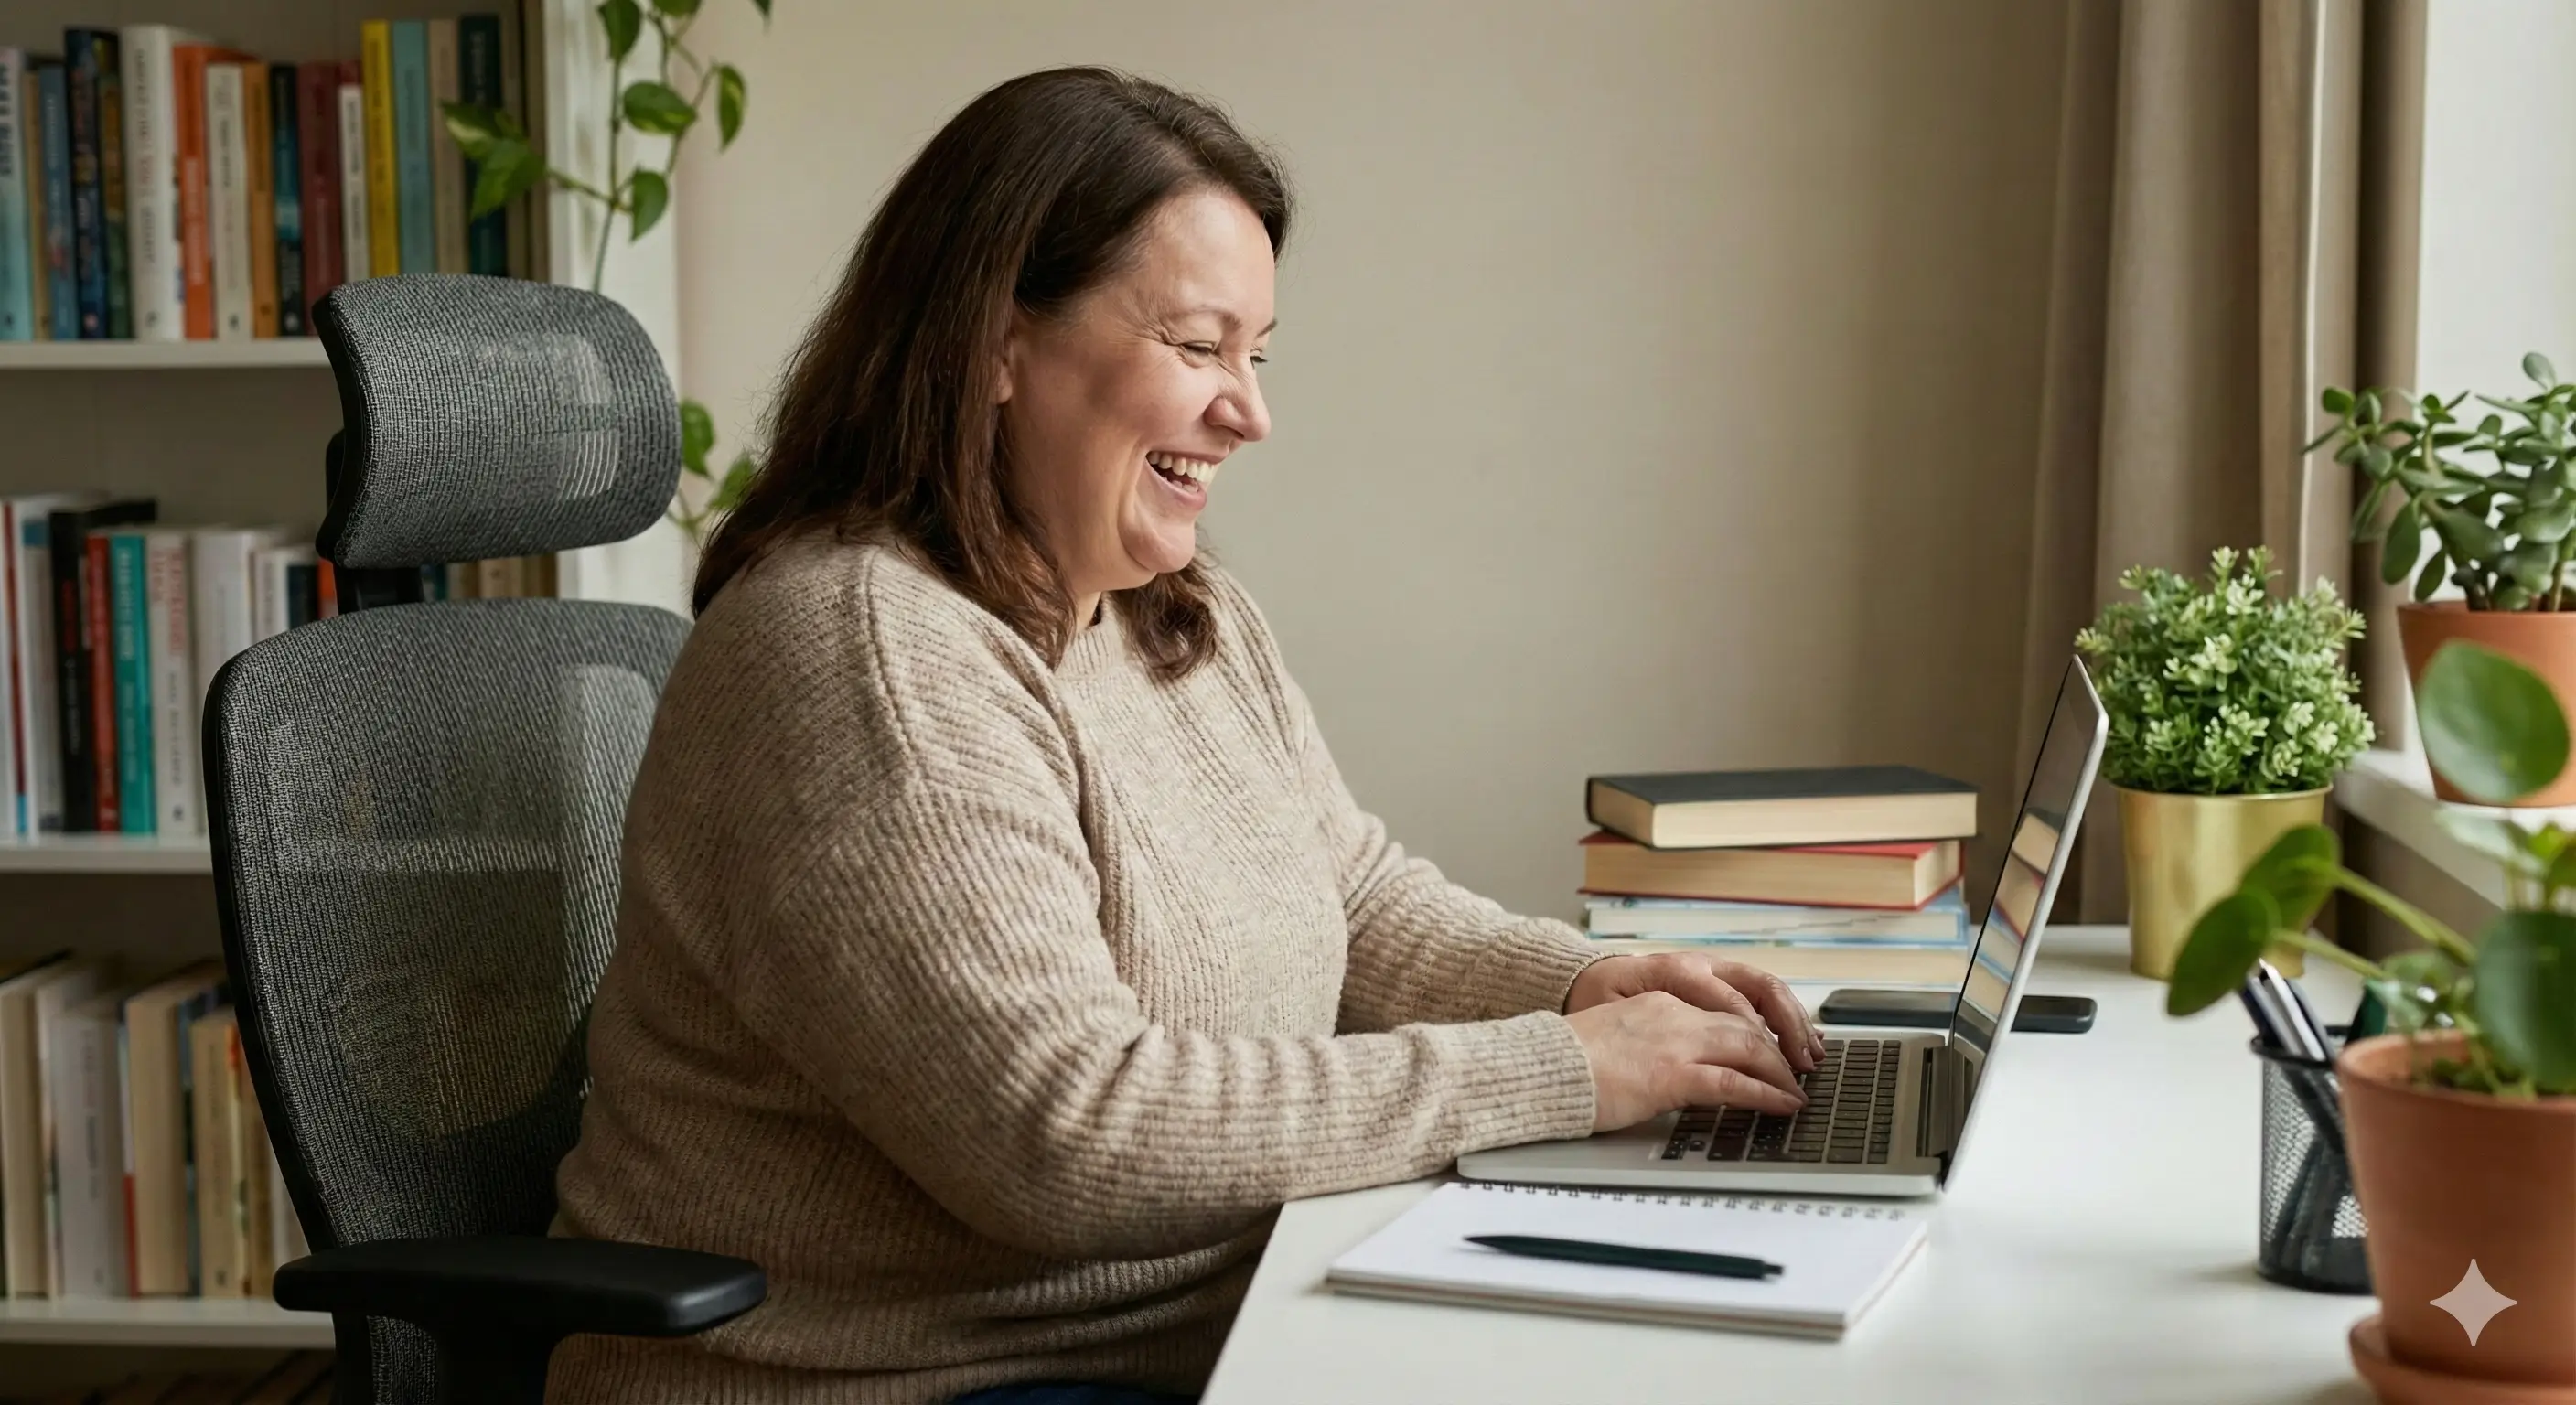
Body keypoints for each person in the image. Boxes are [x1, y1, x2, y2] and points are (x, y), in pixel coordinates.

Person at [546, 66, 1820, 1405]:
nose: (1249, 411)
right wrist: (1556, 1073)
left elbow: (1355, 898)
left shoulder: (1173, 613)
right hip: (893, 1381)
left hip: (1208, 1328)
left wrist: (1582, 991)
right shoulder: (870, 658)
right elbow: (1067, 1135)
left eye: (1256, 356)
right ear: (996, 339)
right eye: (1199, 345)